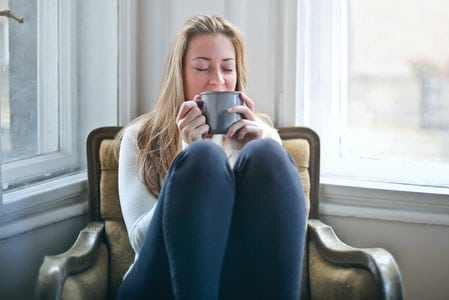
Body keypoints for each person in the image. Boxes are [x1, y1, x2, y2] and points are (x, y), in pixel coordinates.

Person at [115, 14, 306, 300]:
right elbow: (141, 241)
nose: (217, 81)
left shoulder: (262, 134)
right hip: (157, 281)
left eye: (227, 69)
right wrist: (186, 153)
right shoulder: (140, 137)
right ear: (179, 74)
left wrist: (246, 153)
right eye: (202, 68)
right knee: (203, 157)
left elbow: (287, 238)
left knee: (267, 152)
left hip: (235, 281)